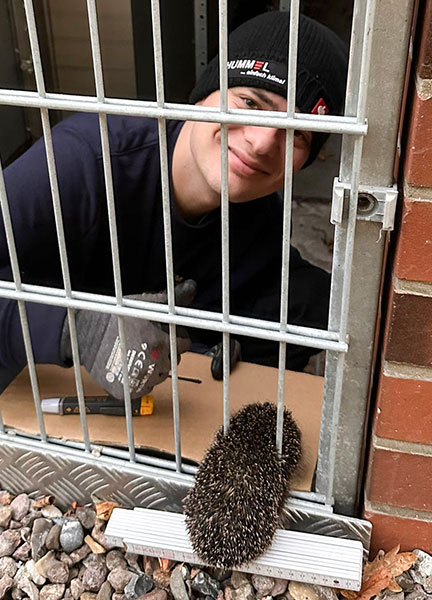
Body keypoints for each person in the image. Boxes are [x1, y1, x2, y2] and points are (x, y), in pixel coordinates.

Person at [0, 11, 347, 398]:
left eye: (297, 133)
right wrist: (74, 329)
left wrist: (218, 345)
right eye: (249, 102)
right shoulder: (80, 163)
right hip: (25, 390)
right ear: (202, 97)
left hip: (144, 416)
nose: (264, 142)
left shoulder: (256, 213)